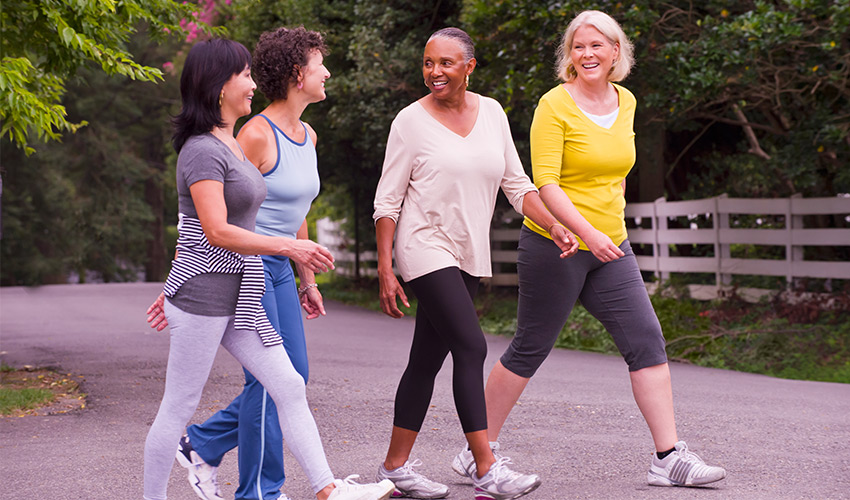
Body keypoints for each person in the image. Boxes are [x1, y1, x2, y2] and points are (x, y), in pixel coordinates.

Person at [449, 10, 728, 488]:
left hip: (610, 246)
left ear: (616, 51)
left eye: (598, 45)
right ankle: (479, 451)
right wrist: (586, 233)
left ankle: (668, 457)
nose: (588, 54)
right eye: (579, 46)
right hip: (556, 245)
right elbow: (547, 185)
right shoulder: (553, 105)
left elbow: (616, 168)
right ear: (569, 56)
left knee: (646, 339)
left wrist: (608, 224)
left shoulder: (628, 101)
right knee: (531, 346)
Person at [143, 37, 394, 500]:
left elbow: (232, 221)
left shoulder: (229, 145)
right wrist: (290, 249)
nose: (253, 84)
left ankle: (327, 489)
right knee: (177, 408)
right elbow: (213, 230)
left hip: (242, 295)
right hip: (202, 301)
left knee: (289, 385)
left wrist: (299, 270)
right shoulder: (202, 150)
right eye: (244, 75)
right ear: (219, 86)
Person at [372, 28, 579, 500]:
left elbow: (517, 184)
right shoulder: (409, 121)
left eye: (446, 62)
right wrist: (387, 267)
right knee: (471, 347)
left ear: (469, 66)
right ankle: (486, 467)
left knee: (425, 359)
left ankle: (394, 467)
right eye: (428, 62)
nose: (434, 72)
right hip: (423, 245)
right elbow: (388, 200)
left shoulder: (492, 112)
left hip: (467, 250)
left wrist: (555, 225)